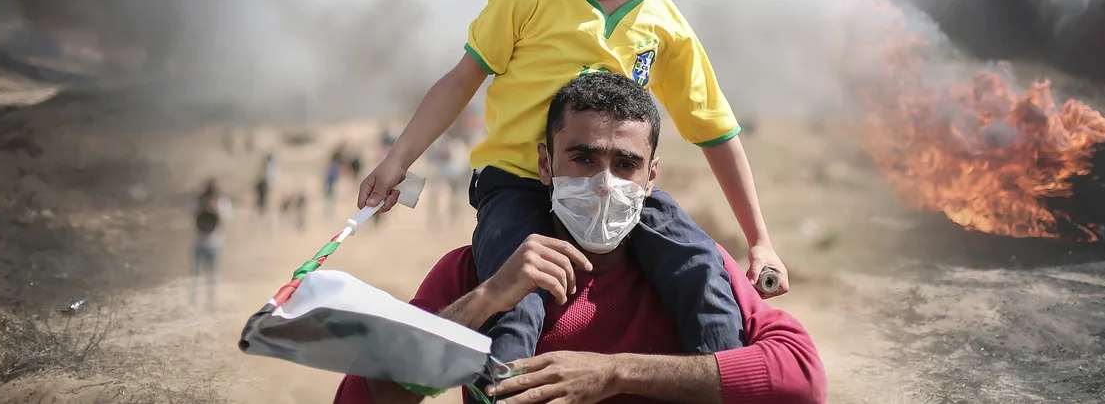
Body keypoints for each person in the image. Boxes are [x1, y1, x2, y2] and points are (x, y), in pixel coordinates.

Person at [358, 0, 787, 370]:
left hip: (616, 187)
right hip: (518, 183)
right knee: (518, 294)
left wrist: (761, 240)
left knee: (702, 269)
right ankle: (506, 391)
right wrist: (396, 162)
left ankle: (716, 380)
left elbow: (715, 130)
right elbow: (460, 80)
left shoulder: (667, 26)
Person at [334, 72, 824, 404]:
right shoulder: (476, 272)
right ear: (546, 164)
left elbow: (801, 376)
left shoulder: (694, 268)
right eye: (584, 158)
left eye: (626, 164)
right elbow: (363, 394)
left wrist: (612, 373)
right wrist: (486, 300)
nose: (605, 183)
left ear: (651, 177)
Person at [190, 178, 231, 309]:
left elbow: (225, 217)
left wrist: (215, 207)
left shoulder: (220, 202)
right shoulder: (201, 201)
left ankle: (210, 301)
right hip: (206, 241)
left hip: (211, 242)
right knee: (200, 274)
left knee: (210, 274)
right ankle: (195, 300)